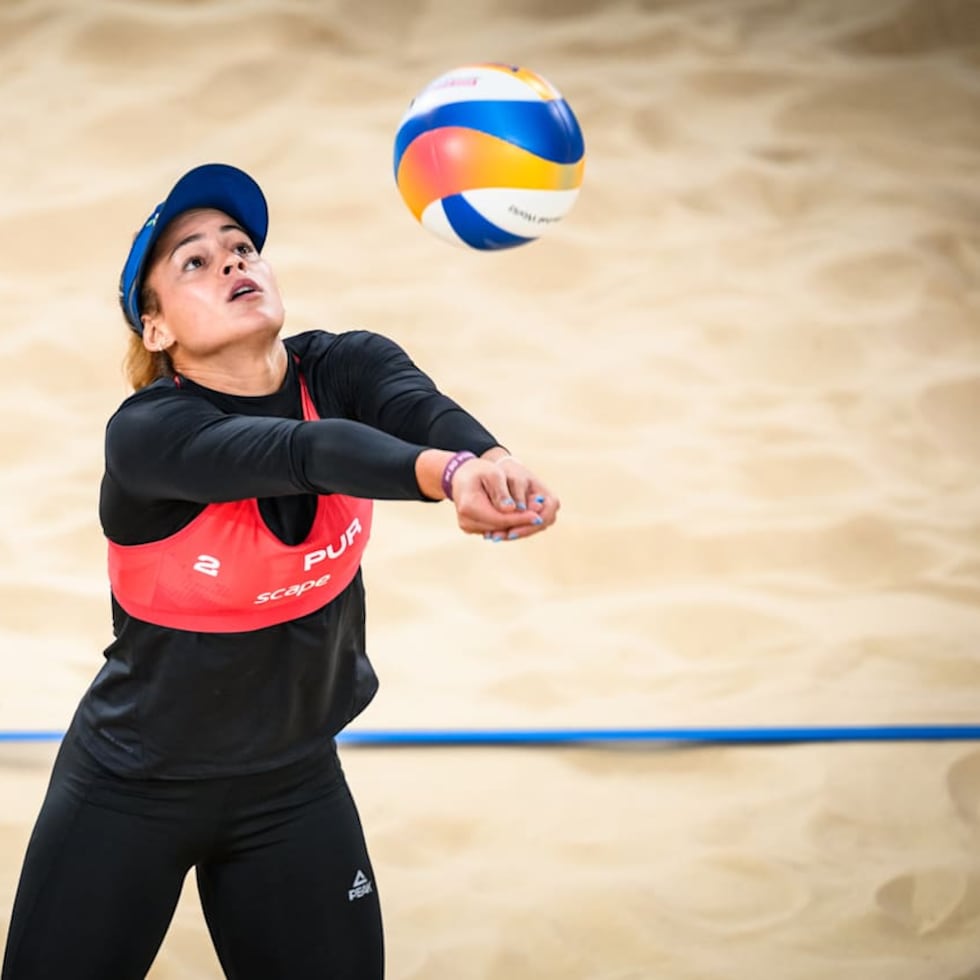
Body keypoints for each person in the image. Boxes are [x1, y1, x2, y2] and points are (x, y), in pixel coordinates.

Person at [1, 163, 559, 979]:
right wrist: (445, 477)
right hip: (131, 786)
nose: (233, 261)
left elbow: (417, 405)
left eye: (242, 246)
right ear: (155, 331)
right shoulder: (149, 435)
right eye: (194, 260)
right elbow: (306, 452)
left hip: (292, 783)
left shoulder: (344, 367)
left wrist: (491, 463)